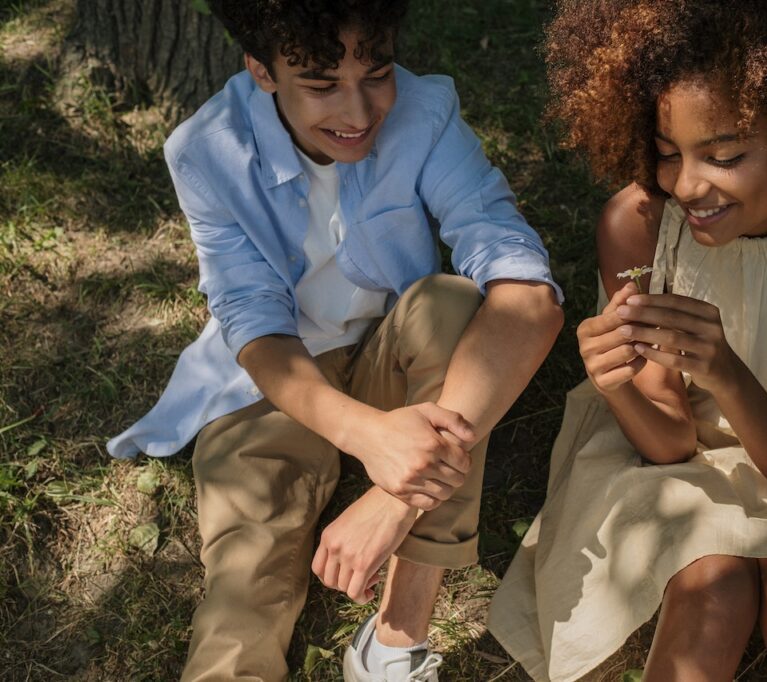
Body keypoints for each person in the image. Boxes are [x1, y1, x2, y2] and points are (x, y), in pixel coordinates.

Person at [488, 0, 767, 680]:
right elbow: (670, 442)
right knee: (715, 588)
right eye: (669, 153)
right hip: (671, 467)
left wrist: (727, 370)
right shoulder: (638, 225)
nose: (688, 184)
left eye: (725, 154)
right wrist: (617, 386)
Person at [106, 1, 564, 680]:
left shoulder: (427, 112)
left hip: (393, 352)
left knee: (451, 305)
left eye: (375, 73)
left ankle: (394, 641)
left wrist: (400, 495)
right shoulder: (205, 151)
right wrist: (369, 439)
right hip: (271, 385)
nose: (358, 110)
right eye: (321, 86)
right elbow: (255, 325)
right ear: (261, 70)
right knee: (247, 570)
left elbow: (527, 292)